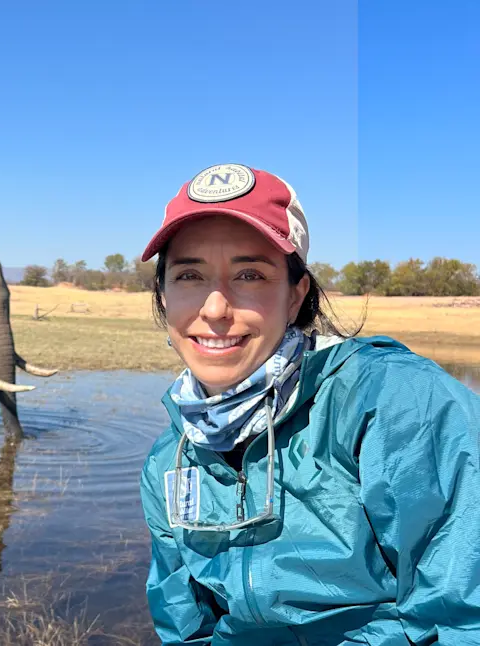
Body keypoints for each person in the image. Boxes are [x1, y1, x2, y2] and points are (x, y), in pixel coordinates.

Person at [138, 163, 480, 645]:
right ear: (163, 296)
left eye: (250, 274)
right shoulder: (169, 459)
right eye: (189, 275)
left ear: (296, 295)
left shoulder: (393, 404)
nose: (214, 309)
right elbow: (186, 628)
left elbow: (464, 616)